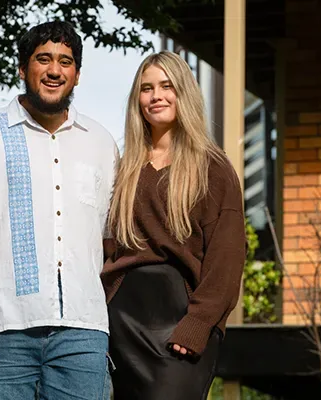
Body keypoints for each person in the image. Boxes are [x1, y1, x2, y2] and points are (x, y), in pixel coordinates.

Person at [0, 21, 118, 400]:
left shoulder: (101, 143)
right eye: (43, 59)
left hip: (83, 332)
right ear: (22, 68)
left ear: (77, 75)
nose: (54, 70)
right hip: (0, 332)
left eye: (65, 62)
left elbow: (111, 241)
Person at [101, 51, 247, 400]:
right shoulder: (123, 170)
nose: (156, 96)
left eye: (167, 86)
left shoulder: (212, 167)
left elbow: (227, 258)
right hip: (122, 323)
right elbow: (106, 246)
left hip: (180, 319)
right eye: (146, 88)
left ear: (184, 93)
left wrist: (198, 324)